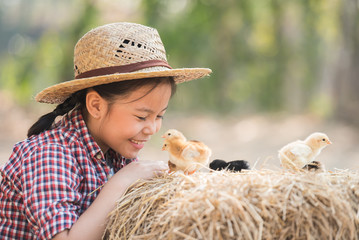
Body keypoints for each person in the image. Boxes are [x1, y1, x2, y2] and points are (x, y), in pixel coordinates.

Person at [0, 22, 211, 239]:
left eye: (159, 116)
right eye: (141, 117)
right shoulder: (50, 155)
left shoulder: (117, 152)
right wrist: (120, 182)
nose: (152, 129)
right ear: (96, 106)